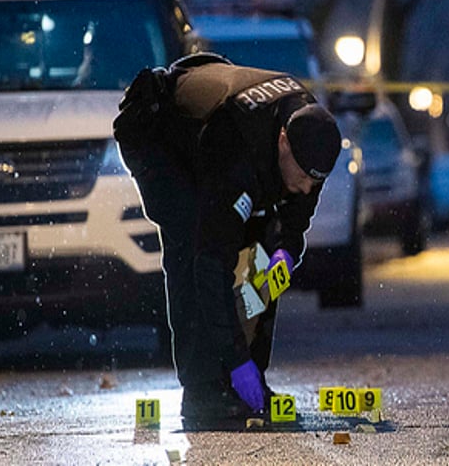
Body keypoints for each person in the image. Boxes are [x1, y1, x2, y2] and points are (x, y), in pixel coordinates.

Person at [112, 52, 342, 428]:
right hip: (158, 136)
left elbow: (296, 210)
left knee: (262, 253)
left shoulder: (312, 138)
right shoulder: (236, 147)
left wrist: (286, 247)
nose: (306, 187)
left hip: (218, 134)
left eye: (315, 182)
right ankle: (202, 391)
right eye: (302, 176)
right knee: (192, 248)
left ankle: (250, 377)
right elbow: (211, 264)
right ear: (283, 141)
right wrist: (236, 364)